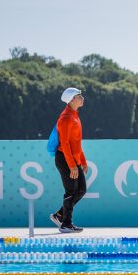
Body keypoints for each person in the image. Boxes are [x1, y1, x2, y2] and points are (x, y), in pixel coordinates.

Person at [50, 87, 87, 234]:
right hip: (65, 159)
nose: (82, 98)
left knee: (81, 190)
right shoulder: (66, 118)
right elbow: (64, 144)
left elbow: (76, 142)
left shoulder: (75, 116)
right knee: (71, 191)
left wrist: (82, 161)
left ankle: (59, 215)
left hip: (73, 159)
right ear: (71, 100)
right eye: (79, 96)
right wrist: (72, 165)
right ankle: (66, 224)